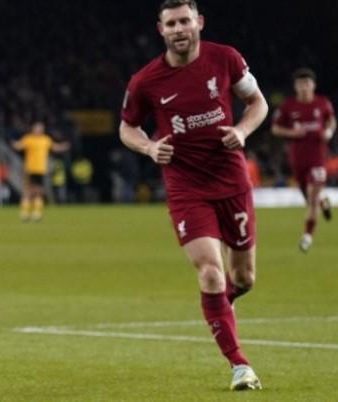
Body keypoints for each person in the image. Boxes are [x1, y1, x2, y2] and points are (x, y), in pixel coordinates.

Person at [119, 0, 268, 391]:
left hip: (232, 181)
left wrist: (242, 131)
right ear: (161, 30)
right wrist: (149, 147)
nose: (179, 29)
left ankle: (219, 306)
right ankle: (239, 365)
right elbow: (127, 128)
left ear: (199, 22)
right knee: (210, 271)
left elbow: (257, 103)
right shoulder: (145, 81)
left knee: (244, 278)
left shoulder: (225, 59)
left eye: (185, 20)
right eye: (171, 24)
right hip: (186, 187)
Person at [271, 67, 336, 252]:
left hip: (318, 161)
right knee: (310, 200)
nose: (304, 87)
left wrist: (329, 131)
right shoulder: (288, 106)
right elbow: (275, 128)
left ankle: (307, 236)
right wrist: (292, 132)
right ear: (295, 86)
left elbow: (331, 120)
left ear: (313, 85)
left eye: (307, 83)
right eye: (300, 84)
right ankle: (324, 202)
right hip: (298, 161)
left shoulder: (322, 103)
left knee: (312, 199)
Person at [11, 122, 69, 221]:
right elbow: (19, 146)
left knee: (38, 192)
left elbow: (55, 147)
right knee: (27, 191)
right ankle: (24, 213)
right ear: (33, 129)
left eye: (40, 128)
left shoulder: (46, 139)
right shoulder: (28, 138)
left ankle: (36, 214)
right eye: (37, 128)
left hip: (41, 170)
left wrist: (63, 146)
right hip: (29, 169)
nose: (38, 130)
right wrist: (13, 143)